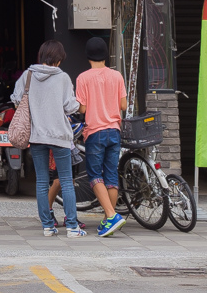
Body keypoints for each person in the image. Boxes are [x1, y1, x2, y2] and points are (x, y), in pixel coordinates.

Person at [11, 39, 84, 238]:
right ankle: (72, 227)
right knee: (66, 181)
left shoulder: (28, 75)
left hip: (37, 136)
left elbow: (16, 99)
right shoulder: (63, 78)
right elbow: (70, 107)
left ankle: (47, 227)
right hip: (59, 135)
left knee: (42, 182)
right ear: (59, 60)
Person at [76, 36, 128, 237]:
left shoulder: (83, 78)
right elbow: (123, 105)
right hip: (114, 131)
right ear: (106, 55)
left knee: (95, 175)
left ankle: (112, 216)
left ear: (88, 56)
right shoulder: (117, 76)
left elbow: (82, 107)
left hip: (95, 132)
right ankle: (109, 221)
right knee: (111, 176)